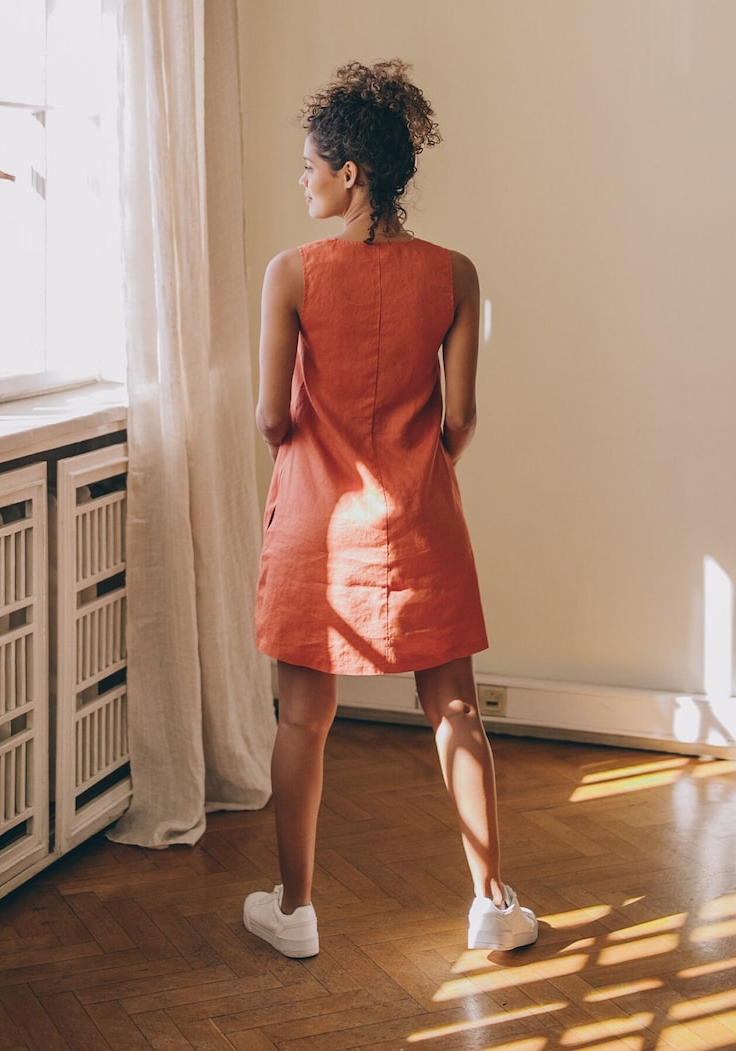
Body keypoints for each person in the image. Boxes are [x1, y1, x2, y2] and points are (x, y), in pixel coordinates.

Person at [245, 60, 538, 958]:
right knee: (456, 712)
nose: (302, 180)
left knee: (302, 719)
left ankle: (295, 912)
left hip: (316, 527)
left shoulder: (290, 274)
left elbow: (271, 417)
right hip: (421, 522)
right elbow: (461, 418)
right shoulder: (456, 274)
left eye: (309, 167)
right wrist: (413, 471)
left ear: (351, 173)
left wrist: (318, 446)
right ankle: (491, 904)